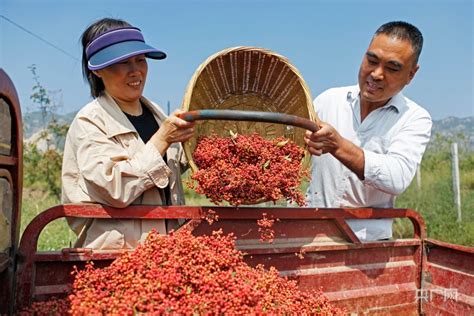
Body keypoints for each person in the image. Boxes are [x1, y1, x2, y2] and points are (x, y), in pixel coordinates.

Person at [61, 18, 195, 249]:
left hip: (166, 250)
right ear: (99, 70)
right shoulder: (91, 121)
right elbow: (114, 188)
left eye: (140, 60)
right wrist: (163, 138)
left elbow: (166, 168)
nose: (135, 71)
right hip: (117, 255)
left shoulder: (157, 115)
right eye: (123, 63)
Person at [304, 21, 432, 242]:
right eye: (371, 61)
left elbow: (397, 177)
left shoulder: (415, 118)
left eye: (392, 68)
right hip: (311, 234)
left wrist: (338, 146)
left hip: (367, 245)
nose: (376, 74)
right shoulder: (328, 100)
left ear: (411, 74)